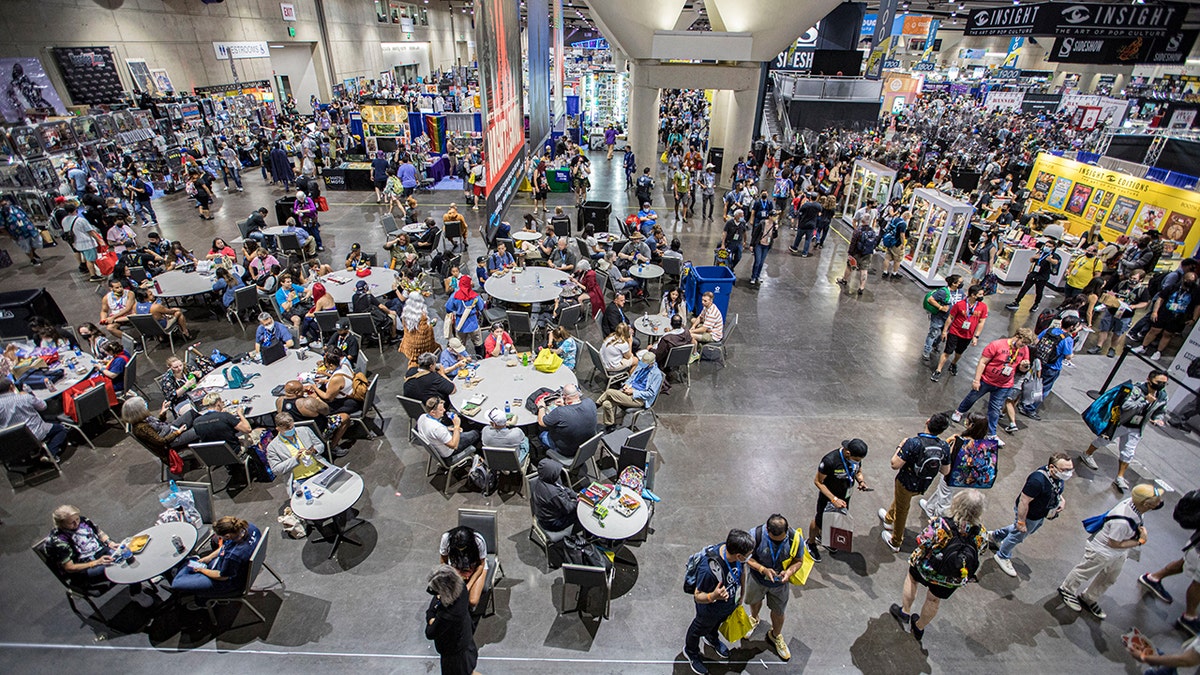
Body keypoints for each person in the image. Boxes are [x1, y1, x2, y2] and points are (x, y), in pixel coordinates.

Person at [889, 489, 987, 642]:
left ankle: (905, 611)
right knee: (934, 600)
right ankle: (919, 627)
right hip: (953, 575)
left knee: (912, 579)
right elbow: (981, 551)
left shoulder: (942, 524)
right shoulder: (981, 533)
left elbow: (921, 540)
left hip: (927, 567)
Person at [1058, 484, 1164, 619]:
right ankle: (1067, 589)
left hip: (1118, 552)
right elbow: (1113, 542)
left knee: (1110, 577)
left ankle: (1089, 597)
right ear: (1146, 504)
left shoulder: (1135, 506)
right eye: (1157, 500)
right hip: (1103, 550)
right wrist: (1140, 541)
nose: (1160, 502)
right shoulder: (1122, 521)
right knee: (1084, 571)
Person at [1079, 370, 1170, 493]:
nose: (1161, 386)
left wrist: (1157, 419)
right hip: (1121, 423)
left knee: (1128, 452)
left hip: (1137, 427)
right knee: (1103, 441)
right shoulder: (1136, 390)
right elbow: (1126, 406)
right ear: (1149, 379)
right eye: (1158, 382)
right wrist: (1145, 401)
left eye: (1164, 383)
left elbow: (1160, 410)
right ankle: (1087, 454)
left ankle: (1120, 477)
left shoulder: (1162, 396)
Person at [986, 452, 1072, 578]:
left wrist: (1061, 500)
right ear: (1052, 467)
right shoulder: (1037, 480)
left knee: (1020, 530)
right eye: (1065, 470)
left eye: (1070, 469)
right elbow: (1024, 501)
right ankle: (1002, 555)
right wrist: (1021, 521)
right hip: (1029, 514)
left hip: (1040, 514)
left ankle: (995, 536)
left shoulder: (1056, 477)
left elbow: (1055, 488)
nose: (1068, 473)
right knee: (1018, 535)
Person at [683, 529, 755, 675]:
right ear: (739, 555)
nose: (749, 558)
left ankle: (711, 637)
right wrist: (713, 596)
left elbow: (743, 569)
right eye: (748, 556)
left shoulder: (736, 557)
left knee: (716, 624)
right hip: (709, 609)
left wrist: (742, 593)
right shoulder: (708, 569)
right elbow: (698, 596)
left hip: (727, 605)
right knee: (698, 628)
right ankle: (691, 651)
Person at [879, 413, 952, 552]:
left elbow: (895, 464)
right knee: (901, 501)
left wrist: (900, 446)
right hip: (923, 484)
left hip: (906, 482)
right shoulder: (943, 446)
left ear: (928, 421)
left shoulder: (913, 442)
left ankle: (895, 541)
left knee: (902, 509)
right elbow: (945, 471)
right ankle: (888, 518)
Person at [951, 328, 1035, 441]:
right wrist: (977, 380)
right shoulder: (997, 345)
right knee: (972, 397)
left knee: (995, 408)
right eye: (1023, 342)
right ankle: (960, 411)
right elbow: (982, 362)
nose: (1023, 346)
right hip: (987, 380)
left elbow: (1021, 368)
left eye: (1026, 344)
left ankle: (992, 434)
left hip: (1004, 384)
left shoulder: (1024, 350)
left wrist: (1025, 366)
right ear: (1017, 336)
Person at [743, 515, 804, 661]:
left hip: (780, 584)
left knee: (778, 611)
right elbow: (746, 557)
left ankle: (775, 635)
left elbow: (799, 560)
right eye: (773, 540)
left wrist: (789, 572)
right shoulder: (755, 535)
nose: (778, 543)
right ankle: (754, 618)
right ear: (767, 529)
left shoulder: (795, 538)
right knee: (755, 601)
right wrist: (763, 569)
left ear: (787, 529)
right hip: (757, 579)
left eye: (781, 540)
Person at [807, 439, 870, 561]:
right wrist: (833, 499)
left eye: (860, 460)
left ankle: (824, 537)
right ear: (847, 452)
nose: (858, 462)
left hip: (845, 497)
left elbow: (858, 471)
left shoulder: (855, 458)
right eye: (856, 459)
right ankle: (811, 543)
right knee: (819, 521)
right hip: (828, 498)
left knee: (836, 519)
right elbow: (818, 482)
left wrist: (861, 481)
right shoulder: (830, 461)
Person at [170, 516, 261, 599]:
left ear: (227, 536)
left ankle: (201, 600)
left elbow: (221, 576)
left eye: (220, 536)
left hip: (232, 583)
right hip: (240, 566)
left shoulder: (233, 556)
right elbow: (225, 546)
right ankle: (192, 575)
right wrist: (209, 557)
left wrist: (202, 571)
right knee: (212, 544)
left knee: (177, 583)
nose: (218, 537)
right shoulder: (249, 527)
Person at [1020, 316, 1080, 420]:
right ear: (1072, 327)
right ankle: (1029, 408)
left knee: (1033, 382)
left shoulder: (1049, 330)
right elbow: (1067, 356)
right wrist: (1072, 355)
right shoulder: (1067, 339)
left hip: (1039, 362)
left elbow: (1036, 341)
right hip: (1052, 367)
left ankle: (1023, 401)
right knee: (1043, 389)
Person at [1131, 272, 1200, 361]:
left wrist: (1194, 318)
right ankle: (1143, 347)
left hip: (1179, 316)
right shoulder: (1172, 287)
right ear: (1184, 279)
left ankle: (1158, 351)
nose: (1190, 282)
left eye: (1192, 281)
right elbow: (1160, 299)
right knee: (1154, 330)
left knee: (1168, 334)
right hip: (1164, 313)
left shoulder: (1195, 292)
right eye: (1188, 280)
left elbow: (1198, 306)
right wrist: (1155, 312)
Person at [424, 565, 480, 675]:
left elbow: (430, 632)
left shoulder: (449, 614)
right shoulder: (461, 587)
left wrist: (430, 616)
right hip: (465, 640)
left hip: (455, 655)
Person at [45, 505, 120, 586]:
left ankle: (134, 591)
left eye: (77, 519)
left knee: (124, 556)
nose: (77, 523)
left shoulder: (83, 521)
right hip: (84, 567)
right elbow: (69, 568)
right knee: (115, 567)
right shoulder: (59, 542)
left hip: (99, 552)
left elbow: (98, 532)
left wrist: (110, 543)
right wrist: (96, 562)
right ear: (61, 524)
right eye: (71, 523)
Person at [932, 283, 989, 382]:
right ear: (973, 295)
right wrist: (945, 331)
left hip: (968, 335)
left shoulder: (983, 307)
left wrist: (976, 336)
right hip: (955, 332)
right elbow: (950, 317)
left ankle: (954, 363)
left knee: (959, 352)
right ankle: (938, 370)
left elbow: (981, 322)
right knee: (947, 351)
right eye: (980, 294)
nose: (982, 296)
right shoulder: (960, 304)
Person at [0, 377, 69, 459]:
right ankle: (50, 454)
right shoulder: (25, 398)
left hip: (12, 441)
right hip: (36, 433)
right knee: (61, 429)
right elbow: (43, 406)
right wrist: (30, 394)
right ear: (11, 386)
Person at [1088, 270, 1149, 358]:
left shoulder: (1142, 290)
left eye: (1134, 278)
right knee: (1104, 329)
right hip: (1112, 311)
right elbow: (1112, 293)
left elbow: (1144, 302)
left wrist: (1134, 306)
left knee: (1118, 332)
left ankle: (1112, 348)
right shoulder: (1122, 284)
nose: (1132, 280)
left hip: (1125, 315)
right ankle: (1098, 346)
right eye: (1131, 277)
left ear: (1141, 279)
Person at [597, 350, 663, 431]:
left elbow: (651, 393)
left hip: (639, 398)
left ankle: (595, 406)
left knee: (609, 392)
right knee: (606, 403)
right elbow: (632, 378)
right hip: (629, 390)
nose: (641, 364)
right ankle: (610, 425)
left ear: (651, 364)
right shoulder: (641, 366)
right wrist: (626, 385)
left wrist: (633, 392)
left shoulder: (656, 375)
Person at [311, 351, 360, 451]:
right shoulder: (345, 365)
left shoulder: (336, 379)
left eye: (327, 365)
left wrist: (314, 388)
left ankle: (328, 439)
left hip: (345, 404)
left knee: (316, 404)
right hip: (352, 400)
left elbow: (328, 397)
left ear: (332, 365)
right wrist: (326, 380)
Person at [537, 383, 597, 457]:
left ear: (565, 397)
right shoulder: (590, 402)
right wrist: (565, 406)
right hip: (587, 447)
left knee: (542, 434)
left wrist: (541, 407)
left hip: (567, 452)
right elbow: (577, 414)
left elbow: (541, 422)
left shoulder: (560, 412)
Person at [266, 412, 326, 483]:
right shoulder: (272, 447)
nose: (290, 430)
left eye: (292, 427)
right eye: (287, 429)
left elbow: (321, 445)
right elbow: (276, 470)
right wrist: (295, 459)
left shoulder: (305, 430)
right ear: (278, 429)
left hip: (319, 469)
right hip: (299, 479)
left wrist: (314, 450)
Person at [1005, 239, 1063, 312]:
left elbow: (1056, 262)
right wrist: (1034, 257)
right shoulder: (1041, 252)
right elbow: (1031, 260)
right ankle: (1016, 302)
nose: (1047, 247)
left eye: (1049, 246)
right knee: (1024, 289)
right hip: (1033, 274)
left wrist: (1050, 260)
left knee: (1039, 292)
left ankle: (1036, 304)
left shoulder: (1054, 256)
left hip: (1042, 277)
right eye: (1046, 245)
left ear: (1053, 247)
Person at [439, 526, 488, 610]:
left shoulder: (479, 541)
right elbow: (443, 561)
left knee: (472, 601)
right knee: (448, 598)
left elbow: (481, 565)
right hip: (455, 568)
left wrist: (468, 586)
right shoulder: (446, 538)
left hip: (476, 567)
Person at [531, 458, 579, 538]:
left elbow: (563, 487)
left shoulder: (546, 479)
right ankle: (576, 539)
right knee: (582, 514)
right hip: (552, 523)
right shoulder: (552, 493)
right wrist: (580, 502)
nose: (559, 474)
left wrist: (575, 495)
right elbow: (568, 508)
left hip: (551, 513)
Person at [445, 276, 483, 357]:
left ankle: (462, 360)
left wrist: (457, 309)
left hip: (460, 324)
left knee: (460, 344)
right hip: (473, 323)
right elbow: (480, 307)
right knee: (478, 342)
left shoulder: (454, 296)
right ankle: (481, 358)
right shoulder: (475, 296)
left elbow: (448, 309)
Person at [0, 196, 44, 266]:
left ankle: (32, 253)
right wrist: (10, 236)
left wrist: (34, 225)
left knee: (38, 242)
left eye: (4, 201)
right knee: (26, 247)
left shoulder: (17, 208)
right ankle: (32, 260)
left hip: (30, 229)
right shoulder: (2, 214)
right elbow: (2, 228)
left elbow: (27, 216)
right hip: (19, 234)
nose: (4, 203)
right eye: (2, 203)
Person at [879, 207, 910, 279]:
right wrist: (903, 244)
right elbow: (902, 235)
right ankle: (894, 273)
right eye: (908, 218)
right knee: (898, 259)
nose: (908, 219)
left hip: (890, 241)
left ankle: (885, 272)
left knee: (887, 257)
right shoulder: (903, 224)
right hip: (897, 244)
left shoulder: (896, 219)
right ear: (905, 216)